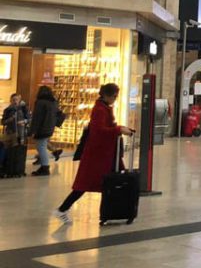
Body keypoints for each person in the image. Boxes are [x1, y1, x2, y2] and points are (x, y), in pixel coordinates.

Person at [54, 84, 133, 223]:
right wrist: (119, 129)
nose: (115, 99)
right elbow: (99, 131)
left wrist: (120, 128)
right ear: (107, 95)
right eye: (114, 96)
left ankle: (109, 213)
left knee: (101, 184)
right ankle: (62, 209)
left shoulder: (104, 108)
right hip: (97, 155)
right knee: (85, 185)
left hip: (104, 154)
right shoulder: (100, 110)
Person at [29, 87, 63, 176]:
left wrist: (32, 130)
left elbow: (37, 117)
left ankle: (45, 167)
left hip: (42, 127)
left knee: (41, 147)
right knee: (42, 145)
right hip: (50, 127)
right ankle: (45, 164)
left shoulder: (40, 102)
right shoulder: (53, 102)